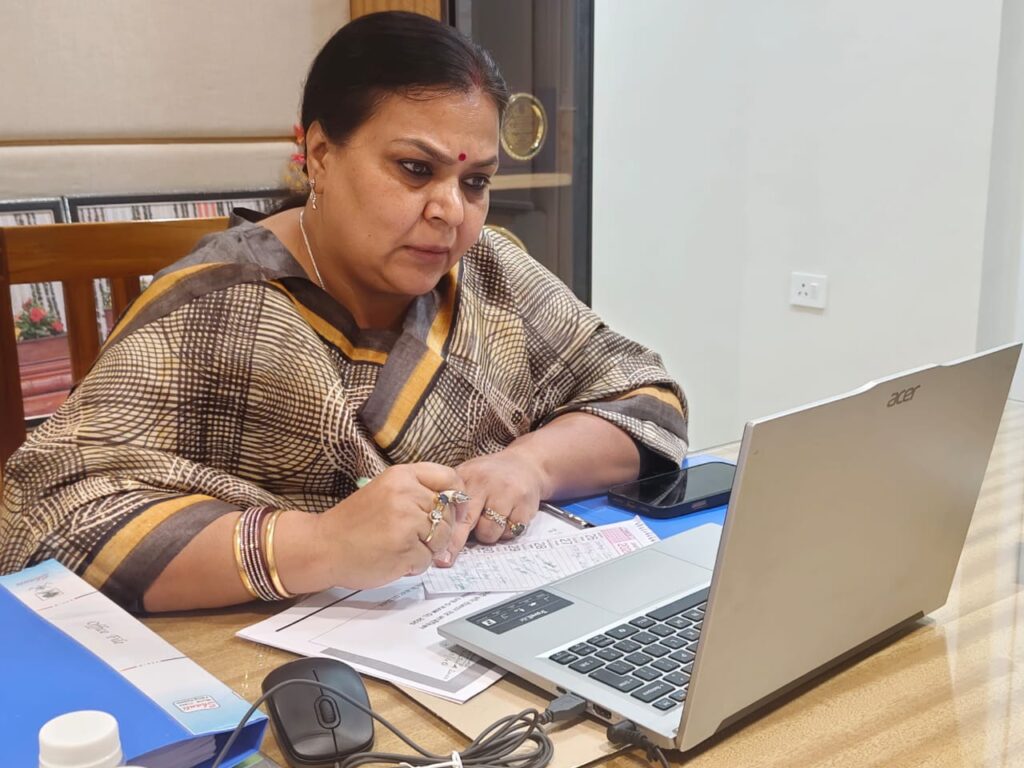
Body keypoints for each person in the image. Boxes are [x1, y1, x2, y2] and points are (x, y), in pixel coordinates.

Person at [0, 12, 688, 613]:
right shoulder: (219, 306)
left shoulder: (489, 271)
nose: (451, 210)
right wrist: (321, 544)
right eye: (415, 169)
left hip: (484, 636)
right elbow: (46, 519)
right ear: (320, 156)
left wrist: (530, 466)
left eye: (475, 181)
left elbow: (646, 400)